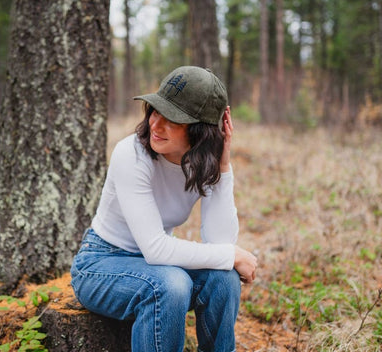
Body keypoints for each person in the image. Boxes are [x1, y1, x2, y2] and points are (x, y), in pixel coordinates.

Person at [70, 66, 258, 352]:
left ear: (201, 130)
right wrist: (231, 254)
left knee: (224, 279)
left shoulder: (202, 163)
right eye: (155, 111)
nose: (156, 125)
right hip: (100, 264)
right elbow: (156, 249)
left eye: (172, 119)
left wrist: (223, 166)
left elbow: (220, 242)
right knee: (170, 285)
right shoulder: (131, 154)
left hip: (157, 267)